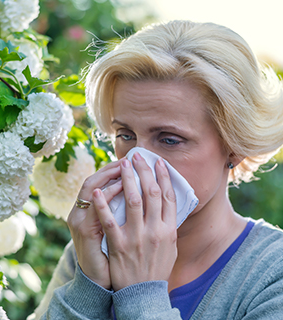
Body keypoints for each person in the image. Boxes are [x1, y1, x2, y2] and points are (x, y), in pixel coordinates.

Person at [33, 20, 283, 319]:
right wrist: (88, 288)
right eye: (125, 135)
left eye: (169, 140)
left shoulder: (272, 275)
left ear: (235, 146)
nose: (138, 161)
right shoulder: (93, 250)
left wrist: (142, 294)